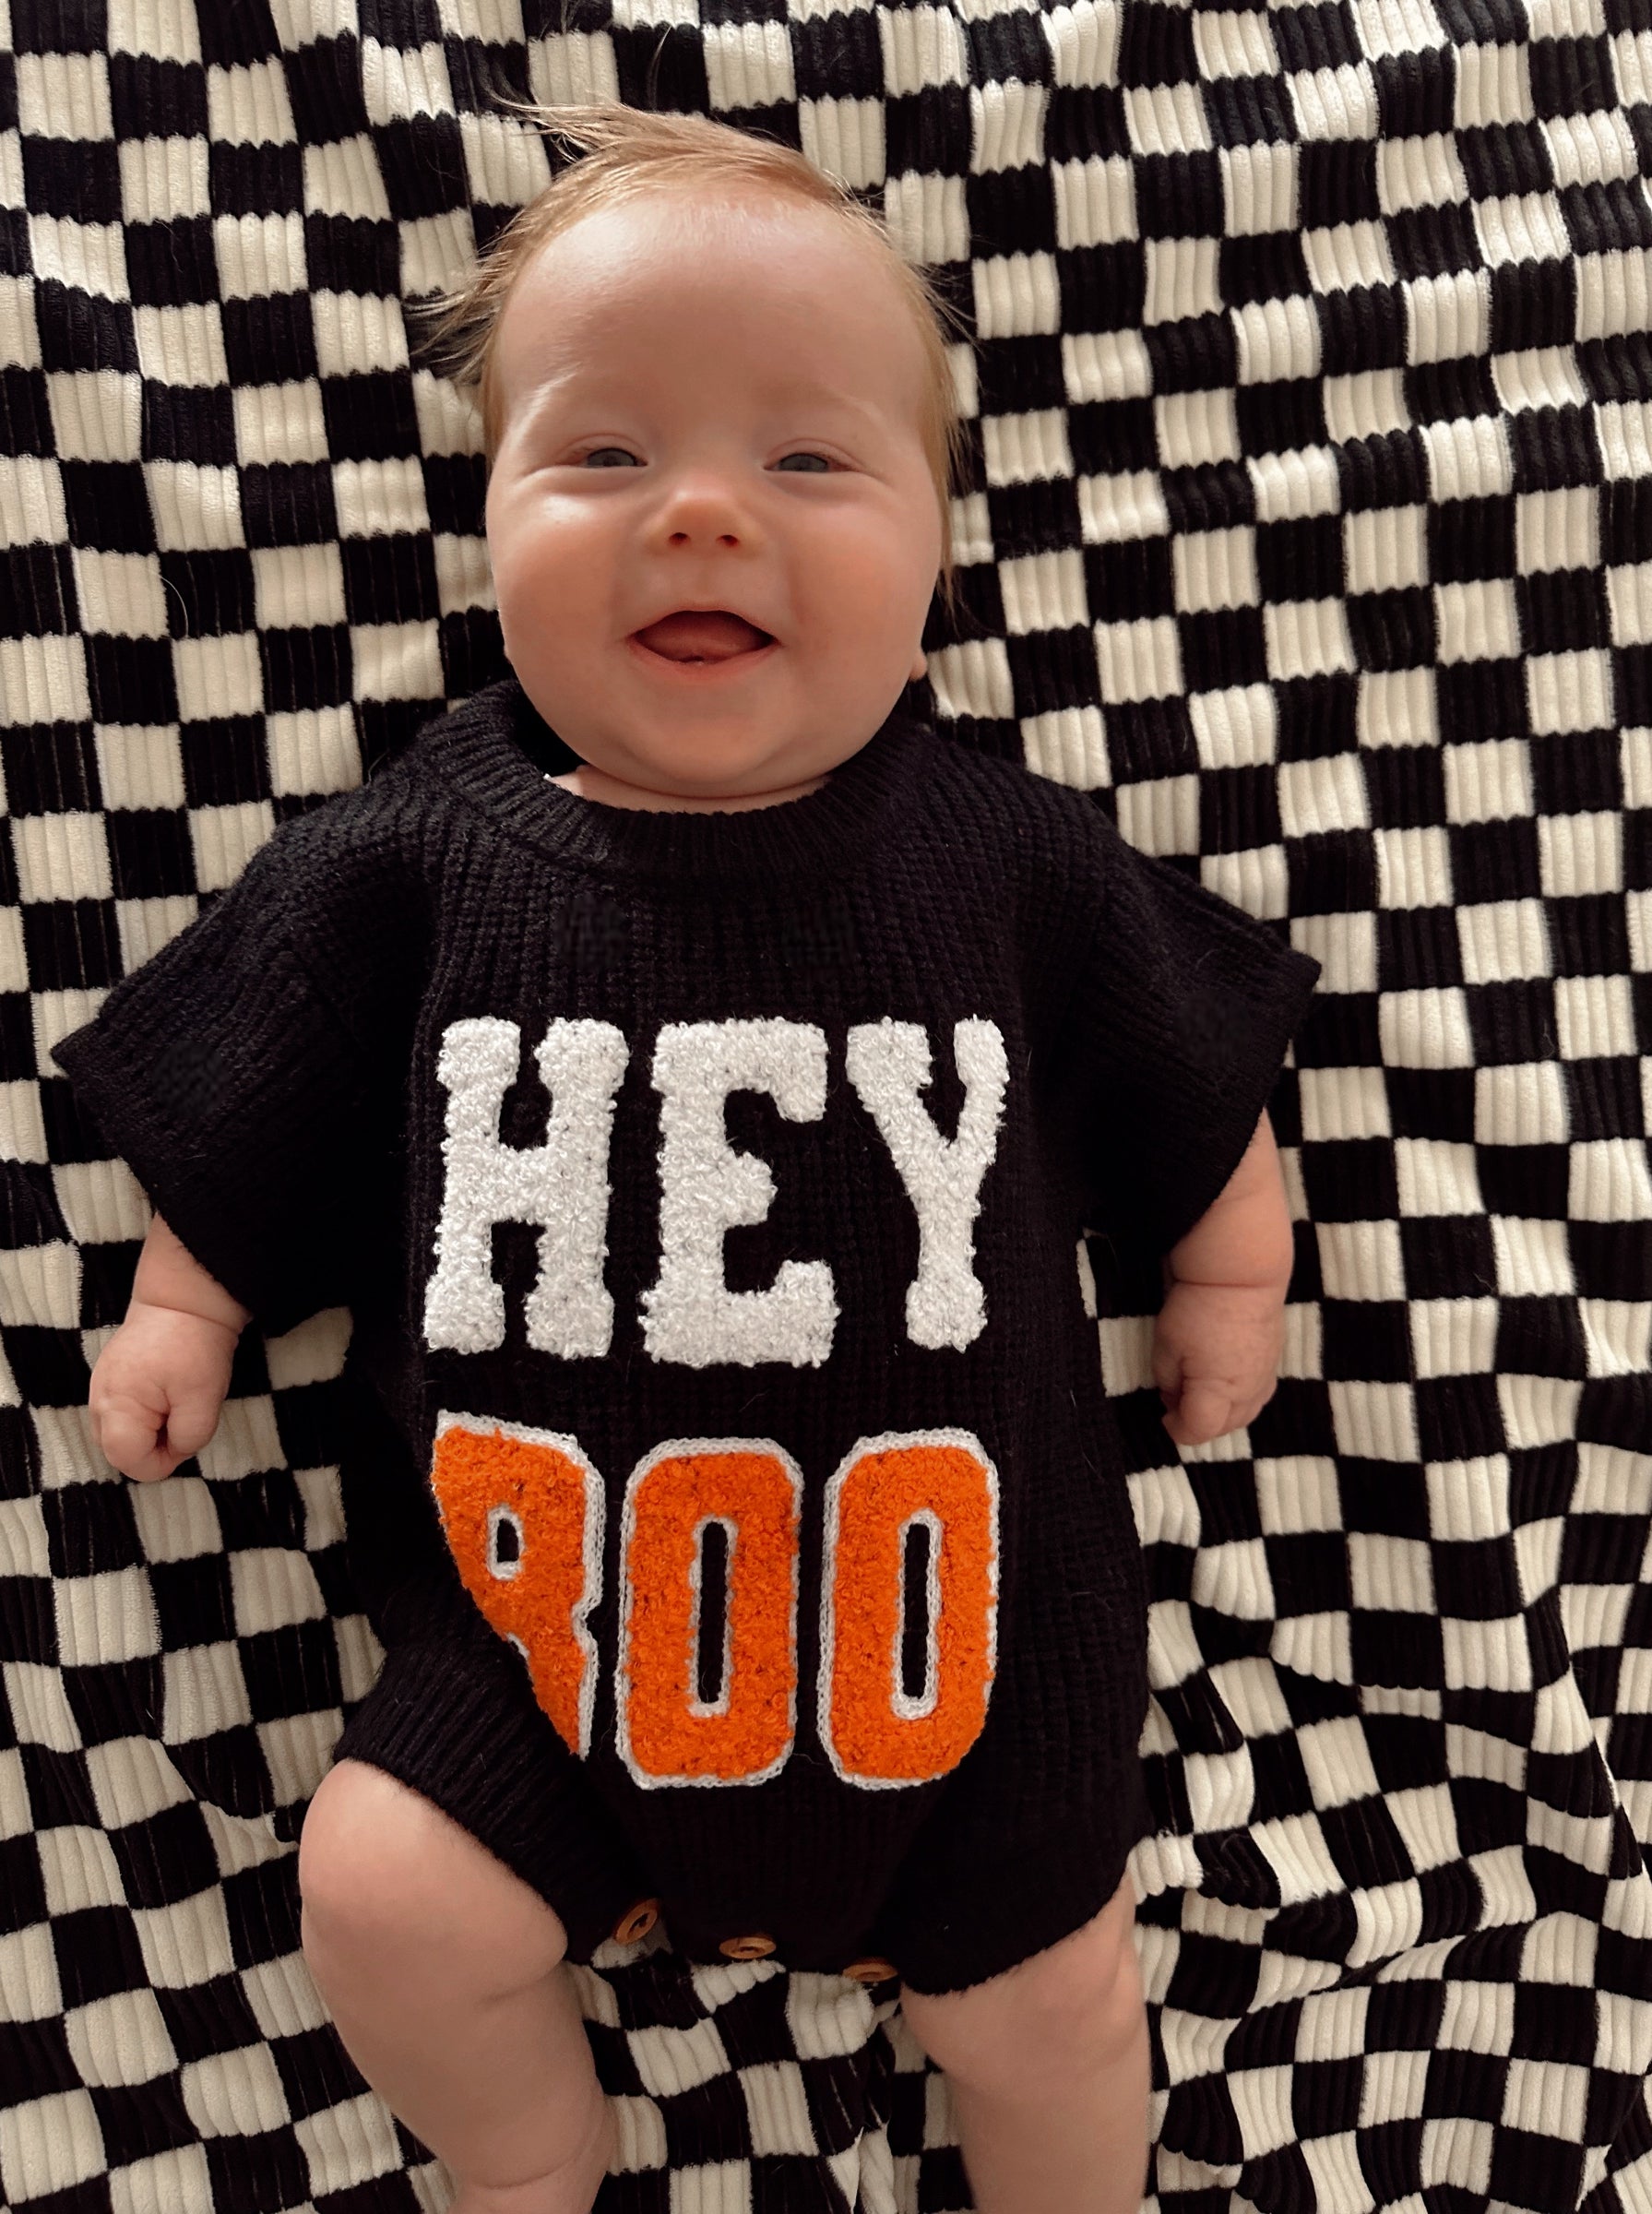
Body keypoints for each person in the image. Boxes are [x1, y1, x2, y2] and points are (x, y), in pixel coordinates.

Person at [58, 106, 1318, 2214]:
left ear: (940, 535)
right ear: (486, 518)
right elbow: (247, 1090)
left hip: (963, 1655)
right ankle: (530, 2165)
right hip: (539, 1646)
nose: (703, 519)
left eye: (809, 461)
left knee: (1056, 2014)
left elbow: (1194, 1076)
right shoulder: (406, 864)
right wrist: (186, 1299)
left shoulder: (1005, 858)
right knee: (382, 1895)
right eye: (603, 456)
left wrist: (1228, 1283)